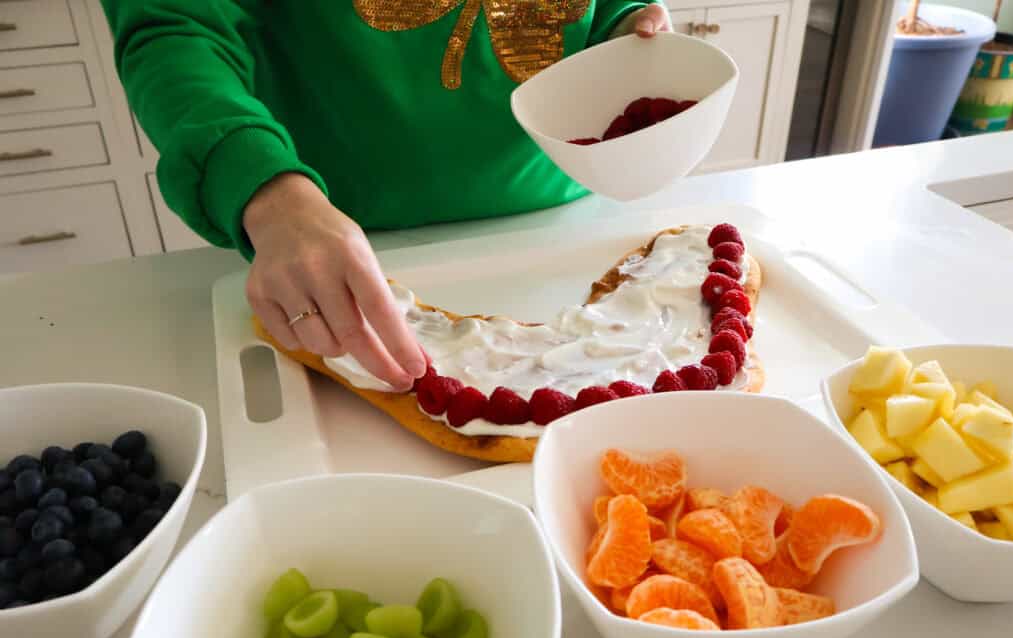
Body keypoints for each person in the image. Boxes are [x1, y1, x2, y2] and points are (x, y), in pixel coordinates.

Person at [101, 1, 672, 390]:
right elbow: (177, 27)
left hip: (570, 227)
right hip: (323, 249)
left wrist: (621, 30)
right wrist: (266, 190)